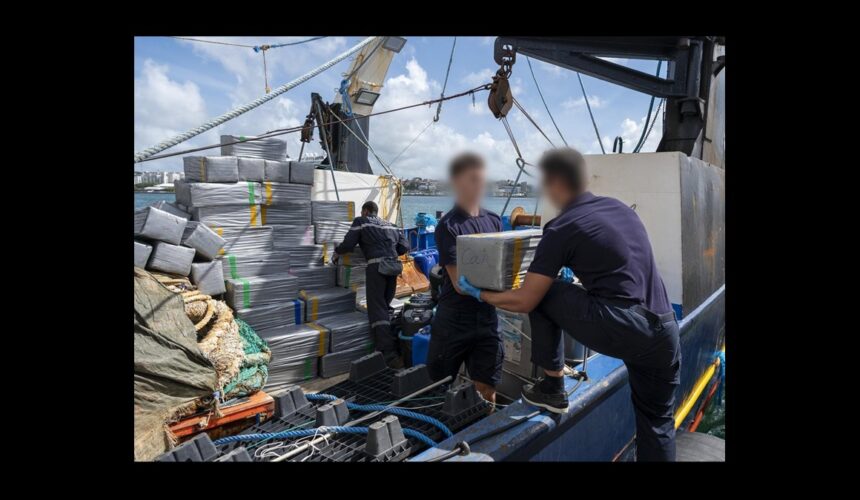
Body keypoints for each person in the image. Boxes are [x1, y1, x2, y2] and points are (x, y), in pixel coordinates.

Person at [457, 147, 681, 461]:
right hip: (665, 329)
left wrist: (480, 294)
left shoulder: (562, 227)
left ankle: (552, 387)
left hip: (624, 326)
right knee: (657, 422)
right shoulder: (621, 209)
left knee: (545, 293)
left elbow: (526, 300)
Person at [427, 152, 504, 405]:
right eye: (472, 179)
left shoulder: (494, 220)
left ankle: (484, 432)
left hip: (487, 317)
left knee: (487, 387)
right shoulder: (448, 226)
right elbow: (460, 284)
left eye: (481, 179)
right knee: (439, 386)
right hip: (454, 320)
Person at [334, 201, 410, 368]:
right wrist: (389, 252)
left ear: (366, 211)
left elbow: (348, 244)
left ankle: (389, 355)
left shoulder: (361, 221)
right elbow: (404, 247)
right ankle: (396, 343)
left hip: (378, 268)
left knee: (377, 311)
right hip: (394, 267)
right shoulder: (392, 225)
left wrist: (336, 252)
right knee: (385, 306)